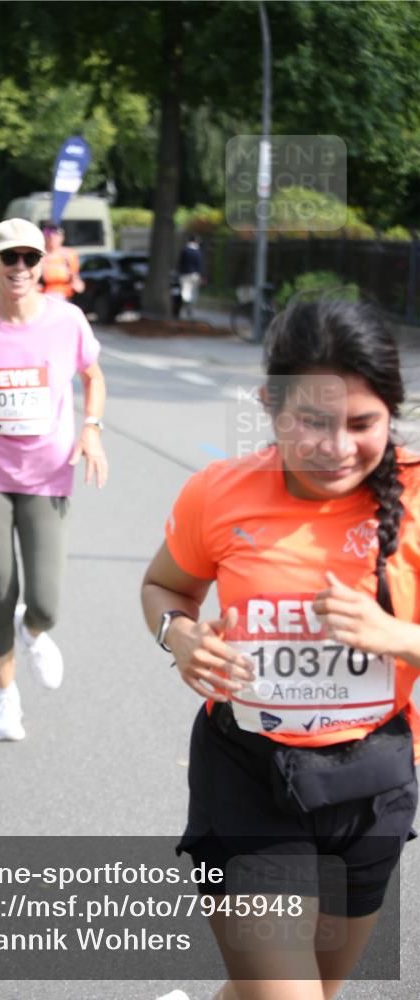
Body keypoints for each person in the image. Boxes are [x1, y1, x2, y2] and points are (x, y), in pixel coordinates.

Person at [141, 299, 420, 1000]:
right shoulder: (219, 493)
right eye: (311, 422)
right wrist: (178, 636)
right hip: (246, 778)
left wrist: (395, 637)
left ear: (391, 411)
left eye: (361, 424)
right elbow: (163, 587)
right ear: (268, 405)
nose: (335, 447)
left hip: (372, 783)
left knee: (310, 990)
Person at [0, 217, 108, 742]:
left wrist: (92, 429)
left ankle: (33, 632)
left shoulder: (68, 320)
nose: (18, 267)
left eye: (28, 258)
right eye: (8, 257)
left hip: (47, 475)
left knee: (46, 602)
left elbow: (92, 376)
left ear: (41, 265)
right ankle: (5, 698)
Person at [40, 223, 85, 300]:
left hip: (65, 296)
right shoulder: (39, 255)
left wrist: (77, 283)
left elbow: (75, 277)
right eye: (48, 234)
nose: (52, 237)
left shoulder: (69, 254)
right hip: (44, 297)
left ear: (62, 237)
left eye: (56, 235)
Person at [177, 234, 202, 320]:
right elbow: (200, 264)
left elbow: (180, 263)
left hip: (185, 274)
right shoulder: (198, 251)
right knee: (193, 292)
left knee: (185, 292)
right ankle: (189, 309)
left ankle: (186, 308)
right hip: (195, 275)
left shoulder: (184, 250)